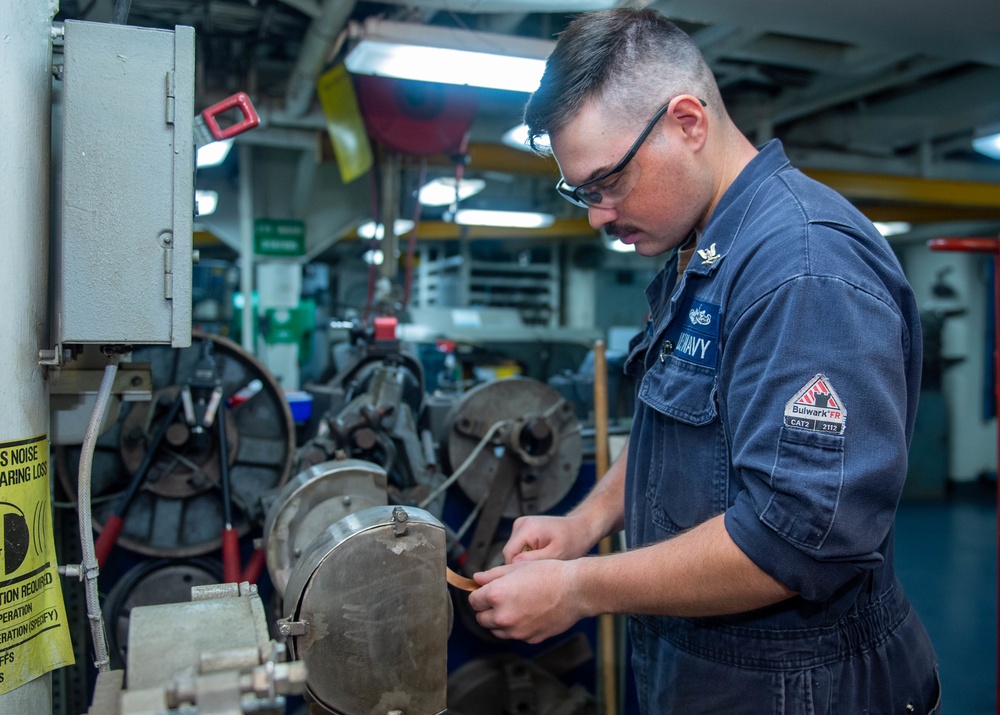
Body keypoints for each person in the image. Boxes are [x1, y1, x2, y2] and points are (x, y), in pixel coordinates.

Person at [466, 8, 940, 714]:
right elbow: (677, 427)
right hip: (701, 665)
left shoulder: (803, 268)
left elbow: (794, 540)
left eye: (608, 182)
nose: (597, 215)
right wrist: (584, 523)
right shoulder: (705, 250)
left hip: (798, 685)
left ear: (688, 122)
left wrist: (580, 586)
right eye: (581, 192)